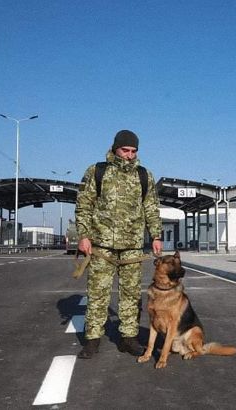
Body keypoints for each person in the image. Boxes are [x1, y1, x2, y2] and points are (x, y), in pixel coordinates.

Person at [75, 129, 163, 359]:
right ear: (115, 148)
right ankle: (92, 339)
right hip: (101, 245)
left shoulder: (144, 175)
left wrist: (156, 236)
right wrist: (83, 236)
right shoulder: (97, 171)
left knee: (131, 295)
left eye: (134, 151)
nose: (129, 155)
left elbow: (151, 207)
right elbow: (84, 205)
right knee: (97, 293)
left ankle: (129, 339)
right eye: (125, 150)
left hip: (132, 246)